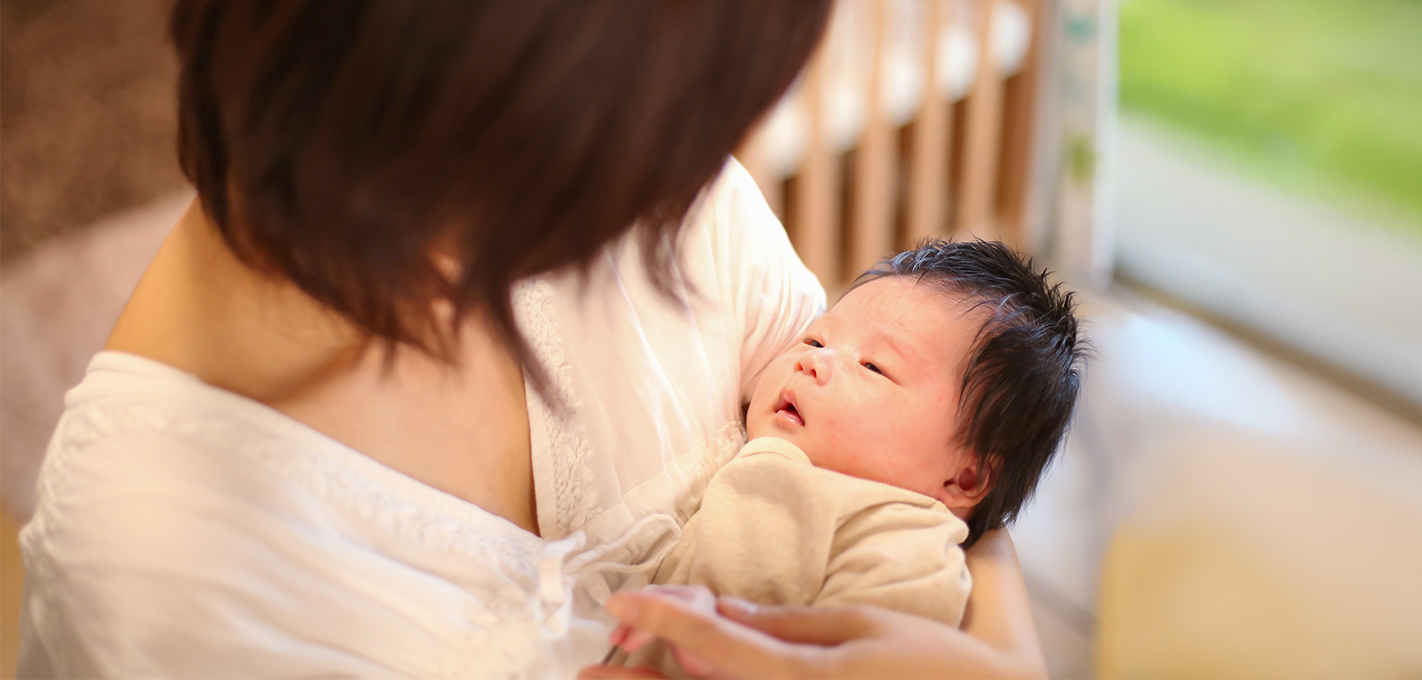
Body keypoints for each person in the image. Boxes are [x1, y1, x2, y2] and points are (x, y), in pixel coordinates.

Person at [16, 1, 1045, 677]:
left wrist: (997, 647)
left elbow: (918, 448)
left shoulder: (679, 193)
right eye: (687, 121)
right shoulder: (175, 574)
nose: (705, 166)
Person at [609, 241, 1085, 676]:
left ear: (965, 477)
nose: (811, 360)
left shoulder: (903, 541)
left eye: (873, 366)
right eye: (815, 340)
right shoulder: (765, 454)